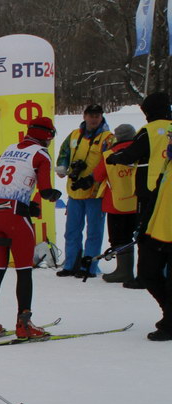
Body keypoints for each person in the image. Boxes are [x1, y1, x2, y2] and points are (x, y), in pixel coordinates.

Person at [0, 116, 62, 342]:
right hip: (14, 216)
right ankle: (24, 323)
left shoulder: (9, 148)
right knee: (24, 270)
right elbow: (45, 190)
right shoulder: (41, 154)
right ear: (47, 135)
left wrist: (29, 202)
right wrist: (52, 195)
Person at [105, 91, 172, 290]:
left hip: (150, 188)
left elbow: (131, 155)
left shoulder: (149, 130)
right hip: (168, 188)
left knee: (146, 233)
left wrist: (115, 157)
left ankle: (145, 275)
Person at [54, 104, 112, 277]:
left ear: (101, 117)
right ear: (84, 116)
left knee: (94, 232)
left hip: (96, 192)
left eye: (97, 115)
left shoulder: (108, 138)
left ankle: (89, 266)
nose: (94, 119)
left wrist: (92, 178)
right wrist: (63, 168)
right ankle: (71, 264)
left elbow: (108, 161)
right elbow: (64, 153)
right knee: (71, 230)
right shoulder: (74, 135)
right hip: (75, 191)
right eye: (91, 115)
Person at [136, 131, 172, 340]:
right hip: (157, 230)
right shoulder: (167, 162)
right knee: (147, 274)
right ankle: (169, 314)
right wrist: (143, 225)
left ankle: (169, 324)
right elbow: (156, 196)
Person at [95, 124, 140, 284]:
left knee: (119, 238)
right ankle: (141, 272)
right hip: (137, 202)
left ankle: (123, 271)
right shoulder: (141, 152)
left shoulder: (109, 154)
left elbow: (98, 175)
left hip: (115, 203)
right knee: (138, 237)